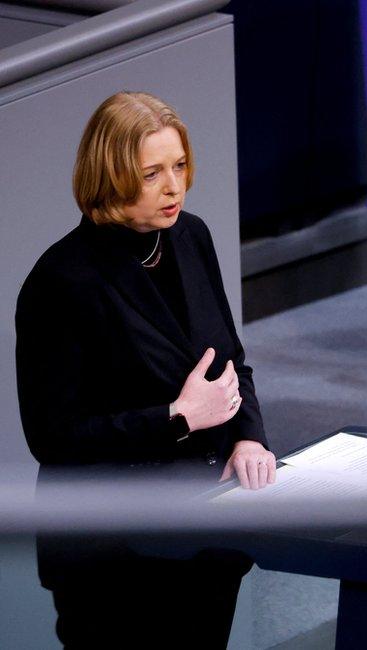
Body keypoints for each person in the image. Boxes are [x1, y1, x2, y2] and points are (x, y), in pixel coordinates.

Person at [16, 91, 277, 647]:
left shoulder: (191, 236)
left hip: (205, 532)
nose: (174, 186)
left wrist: (248, 438)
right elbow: (53, 438)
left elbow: (230, 361)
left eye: (179, 165)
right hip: (115, 557)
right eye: (152, 173)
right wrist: (176, 419)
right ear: (109, 176)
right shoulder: (62, 281)